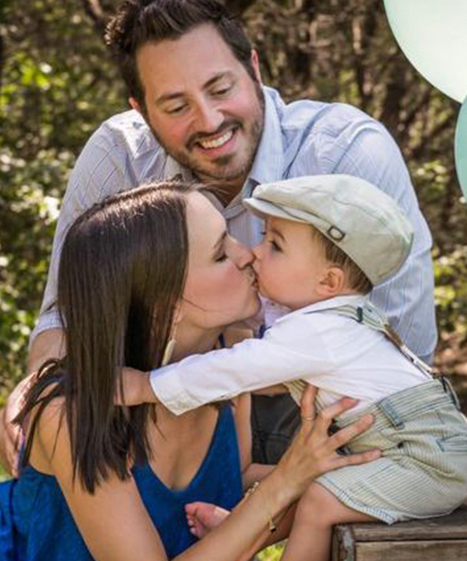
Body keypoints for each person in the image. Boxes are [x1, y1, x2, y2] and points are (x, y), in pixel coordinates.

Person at [0, 0, 437, 475]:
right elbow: (66, 313)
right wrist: (44, 387)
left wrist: (229, 371)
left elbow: (398, 349)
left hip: (331, 411)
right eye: (175, 106)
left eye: (220, 88)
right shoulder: (117, 156)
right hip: (163, 408)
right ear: (141, 111)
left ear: (252, 67)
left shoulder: (346, 153)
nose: (209, 121)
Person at [0, 180, 379, 561]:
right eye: (221, 253)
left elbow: (233, 477)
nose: (247, 254)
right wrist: (288, 478)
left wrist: (347, 472)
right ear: (166, 305)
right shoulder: (71, 414)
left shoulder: (226, 366)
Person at [122, 174, 467, 561]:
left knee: (322, 499)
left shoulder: (318, 331)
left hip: (428, 459)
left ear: (328, 282)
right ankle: (250, 536)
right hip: (422, 446)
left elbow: (234, 368)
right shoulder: (336, 319)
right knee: (318, 482)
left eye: (275, 245)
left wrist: (148, 385)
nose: (255, 252)